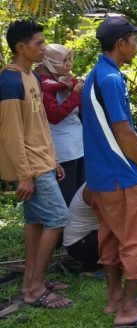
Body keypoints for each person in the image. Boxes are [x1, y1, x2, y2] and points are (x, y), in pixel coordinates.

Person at [82, 16, 137, 327]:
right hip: (120, 174)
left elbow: (119, 128)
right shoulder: (112, 80)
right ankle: (129, 309)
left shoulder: (95, 74)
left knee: (111, 236)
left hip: (100, 176)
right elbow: (122, 131)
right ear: (121, 44)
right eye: (134, 40)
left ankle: (114, 298)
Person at [0, 20, 72, 309]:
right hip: (31, 167)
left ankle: (32, 279)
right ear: (21, 47)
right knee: (58, 218)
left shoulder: (30, 77)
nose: (43, 48)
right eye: (39, 43)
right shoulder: (9, 81)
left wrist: (52, 157)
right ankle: (34, 289)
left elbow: (39, 124)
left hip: (42, 161)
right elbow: (11, 133)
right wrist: (25, 175)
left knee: (35, 221)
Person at [35, 44, 85, 206]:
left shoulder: (65, 81)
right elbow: (55, 115)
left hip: (79, 146)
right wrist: (75, 93)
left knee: (82, 194)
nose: (69, 64)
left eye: (70, 59)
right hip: (63, 150)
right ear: (50, 62)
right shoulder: (45, 85)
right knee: (68, 197)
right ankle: (66, 232)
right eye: (64, 60)